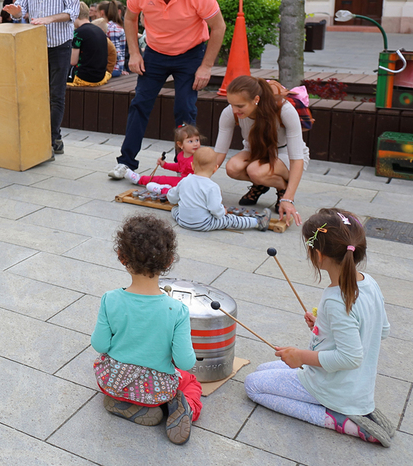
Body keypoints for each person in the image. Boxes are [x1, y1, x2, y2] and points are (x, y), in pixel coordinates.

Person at [244, 209, 394, 447]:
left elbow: (350, 357)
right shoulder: (369, 282)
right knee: (263, 368)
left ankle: (334, 418)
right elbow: (381, 329)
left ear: (319, 255)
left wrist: (300, 355)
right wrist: (324, 327)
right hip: (354, 384)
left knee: (253, 385)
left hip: (332, 386)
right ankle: (348, 408)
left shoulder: (337, 299)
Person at [108, 0, 226, 179]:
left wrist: (206, 66)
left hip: (190, 53)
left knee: (185, 109)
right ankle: (126, 162)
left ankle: (184, 167)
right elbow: (131, 19)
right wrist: (134, 53)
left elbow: (218, 27)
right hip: (155, 52)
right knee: (140, 104)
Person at [92, 214, 201, 445]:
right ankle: (184, 408)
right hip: (157, 390)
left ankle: (126, 404)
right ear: (169, 260)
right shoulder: (176, 310)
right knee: (190, 380)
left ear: (122, 257)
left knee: (108, 362)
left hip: (113, 381)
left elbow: (100, 345)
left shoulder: (110, 299)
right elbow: (184, 362)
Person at [3, 0, 81, 156]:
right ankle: (36, 136)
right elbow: (22, 11)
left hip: (59, 44)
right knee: (34, 92)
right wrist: (16, 12)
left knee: (56, 94)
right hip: (34, 45)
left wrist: (49, 18)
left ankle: (53, 138)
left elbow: (72, 11)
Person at [214, 75, 308, 226]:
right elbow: (219, 152)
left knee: (255, 171)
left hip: (284, 153)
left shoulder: (285, 110)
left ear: (256, 99)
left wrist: (288, 199)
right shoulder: (230, 112)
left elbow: (297, 158)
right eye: (231, 104)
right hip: (255, 151)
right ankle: (262, 184)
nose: (234, 110)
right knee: (232, 167)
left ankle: (282, 189)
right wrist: (199, 180)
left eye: (239, 106)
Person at [166, 147, 271, 232]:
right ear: (215, 168)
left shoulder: (185, 180)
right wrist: (223, 212)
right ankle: (258, 222)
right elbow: (215, 209)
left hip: (183, 221)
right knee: (230, 220)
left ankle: (187, 216)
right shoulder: (212, 187)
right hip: (204, 224)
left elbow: (172, 198)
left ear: (192, 166)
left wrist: (172, 194)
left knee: (175, 210)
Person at [123, 124, 200, 195]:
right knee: (161, 178)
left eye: (197, 140)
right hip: (182, 181)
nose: (195, 144)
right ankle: (139, 179)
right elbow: (179, 167)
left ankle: (164, 189)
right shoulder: (181, 155)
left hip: (192, 185)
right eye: (190, 141)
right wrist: (165, 165)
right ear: (180, 145)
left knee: (171, 183)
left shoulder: (199, 157)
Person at [69, 1, 111, 87]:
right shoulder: (99, 30)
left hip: (84, 77)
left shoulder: (78, 33)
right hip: (100, 76)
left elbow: (73, 61)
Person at [100, 0, 128, 76]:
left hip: (113, 68)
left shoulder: (112, 28)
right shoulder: (113, 26)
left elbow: (115, 51)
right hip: (116, 67)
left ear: (102, 12)